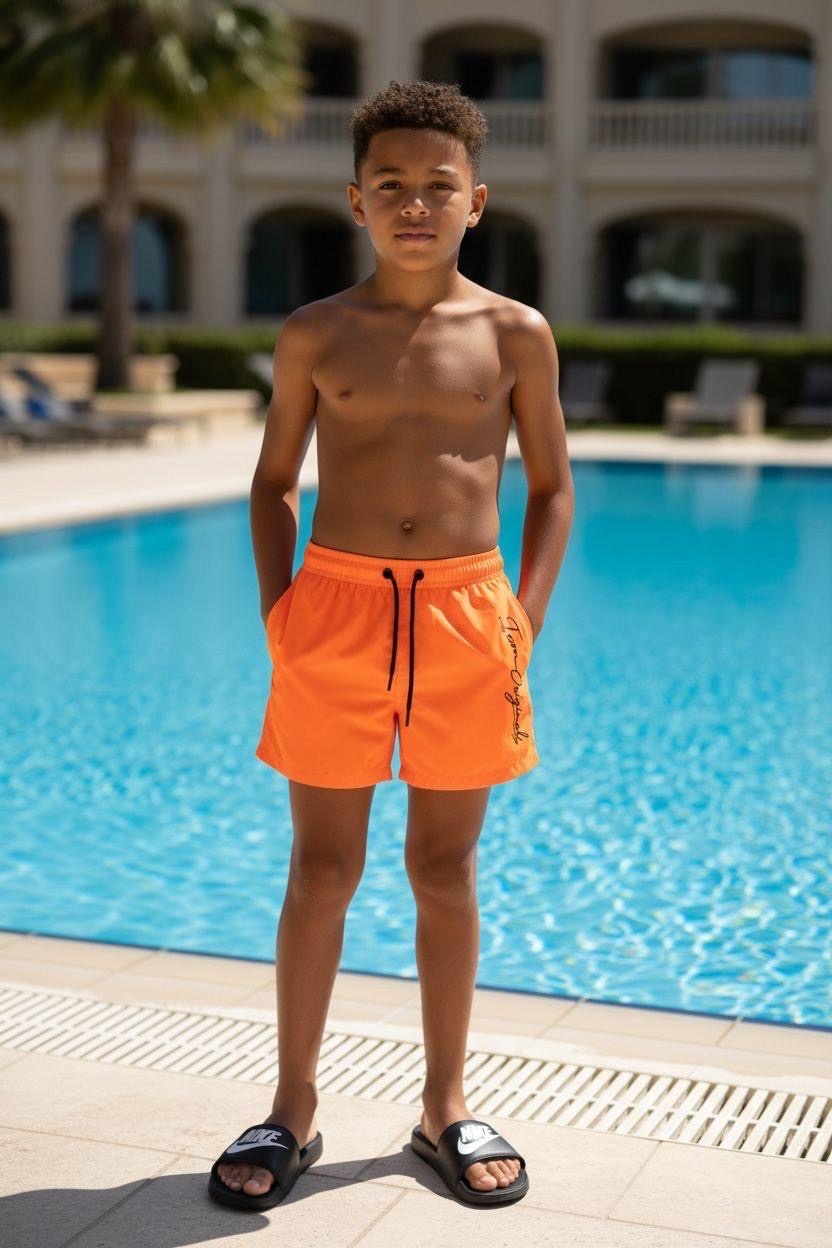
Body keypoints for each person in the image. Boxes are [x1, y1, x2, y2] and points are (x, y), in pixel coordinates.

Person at [209, 78, 574, 1212]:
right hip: (336, 609)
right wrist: (280, 612)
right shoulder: (316, 332)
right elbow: (273, 483)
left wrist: (521, 620)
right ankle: (292, 1105)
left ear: (477, 201)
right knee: (322, 869)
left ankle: (443, 1104)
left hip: (468, 616)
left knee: (444, 869)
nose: (415, 204)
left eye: (437, 186)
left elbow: (553, 489)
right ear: (355, 200)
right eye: (391, 185)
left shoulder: (515, 333)